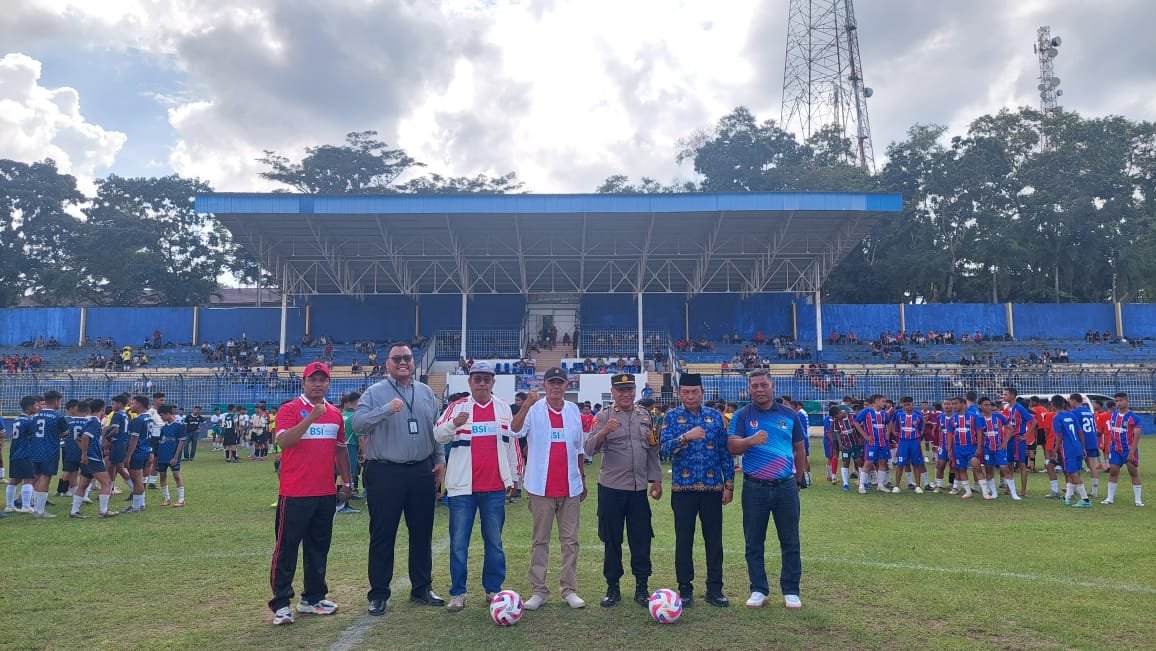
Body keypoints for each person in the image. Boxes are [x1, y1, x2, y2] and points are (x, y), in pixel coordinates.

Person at [353, 343, 446, 616]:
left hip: (420, 470)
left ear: (413, 362)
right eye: (397, 358)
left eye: (407, 357)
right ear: (388, 363)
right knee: (383, 533)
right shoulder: (374, 392)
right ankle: (379, 593)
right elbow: (357, 424)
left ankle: (422, 587)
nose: (403, 362)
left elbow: (435, 430)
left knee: (422, 532)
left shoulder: (427, 392)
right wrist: (385, 410)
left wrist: (439, 459)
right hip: (385, 471)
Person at [268, 361, 353, 625]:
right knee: (287, 549)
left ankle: (313, 598)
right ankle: (281, 603)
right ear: (303, 383)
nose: (318, 384)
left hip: (324, 492)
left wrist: (347, 482)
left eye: (322, 380)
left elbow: (340, 449)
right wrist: (311, 418)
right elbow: (284, 441)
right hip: (294, 493)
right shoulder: (290, 409)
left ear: (329, 383)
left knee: (318, 547)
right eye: (313, 380)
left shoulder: (335, 414)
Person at [433, 362, 520, 613]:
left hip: (494, 488)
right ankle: (458, 592)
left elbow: (511, 444)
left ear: (493, 382)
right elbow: (437, 435)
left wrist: (514, 478)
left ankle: (493, 589)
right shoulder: (457, 407)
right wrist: (453, 424)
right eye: (477, 379)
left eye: (486, 379)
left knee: (494, 542)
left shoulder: (503, 408)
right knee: (459, 543)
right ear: (469, 382)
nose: (482, 383)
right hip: (462, 488)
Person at [509, 367, 588, 611]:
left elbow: (578, 449)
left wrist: (582, 479)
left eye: (560, 383)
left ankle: (569, 590)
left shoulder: (573, 410)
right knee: (540, 541)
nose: (556, 387)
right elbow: (514, 430)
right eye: (551, 382)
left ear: (567, 386)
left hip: (569, 486)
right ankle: (538, 590)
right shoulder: (534, 409)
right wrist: (525, 406)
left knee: (570, 541)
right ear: (544, 385)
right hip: (540, 487)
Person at [727, 370, 806, 610]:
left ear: (772, 386)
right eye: (754, 386)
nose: (759, 389)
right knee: (754, 541)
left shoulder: (789, 414)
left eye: (763, 385)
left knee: (790, 540)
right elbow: (732, 446)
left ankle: (791, 590)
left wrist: (798, 480)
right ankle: (758, 589)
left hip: (785, 487)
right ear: (749, 389)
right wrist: (750, 441)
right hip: (754, 488)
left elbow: (800, 449)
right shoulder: (742, 415)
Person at [585, 373, 662, 608]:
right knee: (612, 539)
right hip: (612, 489)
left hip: (638, 490)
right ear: (613, 392)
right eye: (621, 390)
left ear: (635, 390)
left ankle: (642, 586)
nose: (626, 394)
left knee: (641, 539)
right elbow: (588, 448)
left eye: (630, 389)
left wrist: (656, 480)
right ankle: (613, 587)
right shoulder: (604, 415)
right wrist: (604, 431)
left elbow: (652, 449)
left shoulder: (645, 415)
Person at [659, 373, 734, 608]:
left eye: (695, 392)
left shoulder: (715, 417)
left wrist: (729, 484)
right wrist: (685, 437)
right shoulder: (671, 417)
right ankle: (685, 589)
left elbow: (725, 452)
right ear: (679, 393)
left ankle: (715, 589)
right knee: (684, 541)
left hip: (712, 489)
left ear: (702, 392)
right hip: (683, 490)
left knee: (714, 540)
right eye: (686, 392)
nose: (690, 396)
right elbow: (663, 450)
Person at [70, 399, 117, 518]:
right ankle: (104, 511)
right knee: (106, 482)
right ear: (102, 409)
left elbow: (77, 438)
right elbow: (85, 437)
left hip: (89, 457)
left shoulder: (87, 420)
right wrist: (85, 454)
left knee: (83, 484)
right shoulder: (94, 422)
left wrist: (84, 452)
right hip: (93, 458)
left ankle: (74, 511)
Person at [29, 390, 68, 518]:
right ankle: (39, 511)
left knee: (36, 478)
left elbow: (30, 432)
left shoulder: (35, 416)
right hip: (49, 451)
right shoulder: (58, 417)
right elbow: (64, 434)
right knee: (45, 479)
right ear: (56, 401)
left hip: (35, 451)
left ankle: (33, 506)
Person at [1104, 392, 1143, 507]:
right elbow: (1112, 432)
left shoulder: (1134, 418)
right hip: (1115, 449)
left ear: (1127, 401)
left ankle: (1138, 500)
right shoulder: (1113, 416)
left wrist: (1132, 452)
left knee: (1133, 472)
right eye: (1116, 401)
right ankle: (1109, 498)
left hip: (1129, 450)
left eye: (1121, 400)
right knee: (1113, 472)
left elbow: (1137, 436)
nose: (1118, 403)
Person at [1051, 395, 1091, 508]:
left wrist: (1055, 450)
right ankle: (1067, 497)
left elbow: (1059, 437)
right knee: (1071, 472)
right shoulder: (1071, 415)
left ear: (1052, 405)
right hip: (1077, 447)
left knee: (1073, 473)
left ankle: (1085, 499)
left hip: (1068, 449)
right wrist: (1083, 447)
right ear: (1064, 404)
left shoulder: (1057, 418)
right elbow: (1080, 432)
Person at [852, 394, 896, 494]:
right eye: (883, 401)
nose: (885, 403)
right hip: (872, 442)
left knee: (882, 462)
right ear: (876, 401)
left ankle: (880, 485)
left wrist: (888, 433)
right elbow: (856, 422)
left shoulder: (884, 414)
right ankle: (861, 485)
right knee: (868, 463)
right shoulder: (867, 412)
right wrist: (865, 435)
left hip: (883, 442)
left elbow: (889, 422)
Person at [977, 397, 1017, 500]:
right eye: (985, 405)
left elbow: (1011, 428)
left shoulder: (999, 417)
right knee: (989, 470)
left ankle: (1014, 493)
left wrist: (1005, 442)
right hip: (987, 449)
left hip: (999, 448)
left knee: (1005, 468)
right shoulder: (979, 419)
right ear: (980, 406)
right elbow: (979, 435)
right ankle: (994, 493)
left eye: (989, 404)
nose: (988, 407)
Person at [4, 395, 38, 514]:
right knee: (29, 479)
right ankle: (26, 506)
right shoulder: (29, 421)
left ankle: (9, 505)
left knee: (14, 480)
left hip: (14, 452)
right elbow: (32, 436)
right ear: (29, 407)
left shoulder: (17, 420)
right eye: (35, 405)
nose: (37, 407)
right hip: (25, 453)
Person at [122, 395, 153, 513]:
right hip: (146, 450)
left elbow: (134, 439)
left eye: (133, 403)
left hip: (138, 452)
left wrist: (128, 456)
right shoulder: (149, 417)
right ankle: (141, 504)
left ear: (139, 404)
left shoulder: (138, 420)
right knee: (140, 480)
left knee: (136, 481)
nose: (131, 406)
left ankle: (136, 507)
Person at [889, 397, 926, 493]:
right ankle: (896, 486)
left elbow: (922, 428)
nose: (906, 407)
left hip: (914, 442)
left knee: (916, 464)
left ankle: (918, 486)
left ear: (913, 404)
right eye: (904, 405)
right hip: (903, 442)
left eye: (908, 404)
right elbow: (896, 427)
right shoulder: (899, 416)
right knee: (900, 464)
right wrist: (896, 433)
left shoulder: (918, 416)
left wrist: (918, 435)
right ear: (902, 405)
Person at [155, 405, 187, 507]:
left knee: (176, 476)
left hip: (173, 456)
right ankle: (166, 499)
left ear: (168, 414)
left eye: (162, 415)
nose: (161, 418)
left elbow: (181, 442)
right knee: (162, 477)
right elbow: (161, 441)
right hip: (162, 456)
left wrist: (175, 457)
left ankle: (181, 500)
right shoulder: (163, 428)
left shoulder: (179, 426)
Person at [341, 392, 363, 500]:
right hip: (351, 446)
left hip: (341, 446)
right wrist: (364, 452)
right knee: (348, 472)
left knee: (344, 472)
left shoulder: (342, 414)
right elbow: (360, 437)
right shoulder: (355, 417)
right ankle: (343, 500)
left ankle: (349, 494)